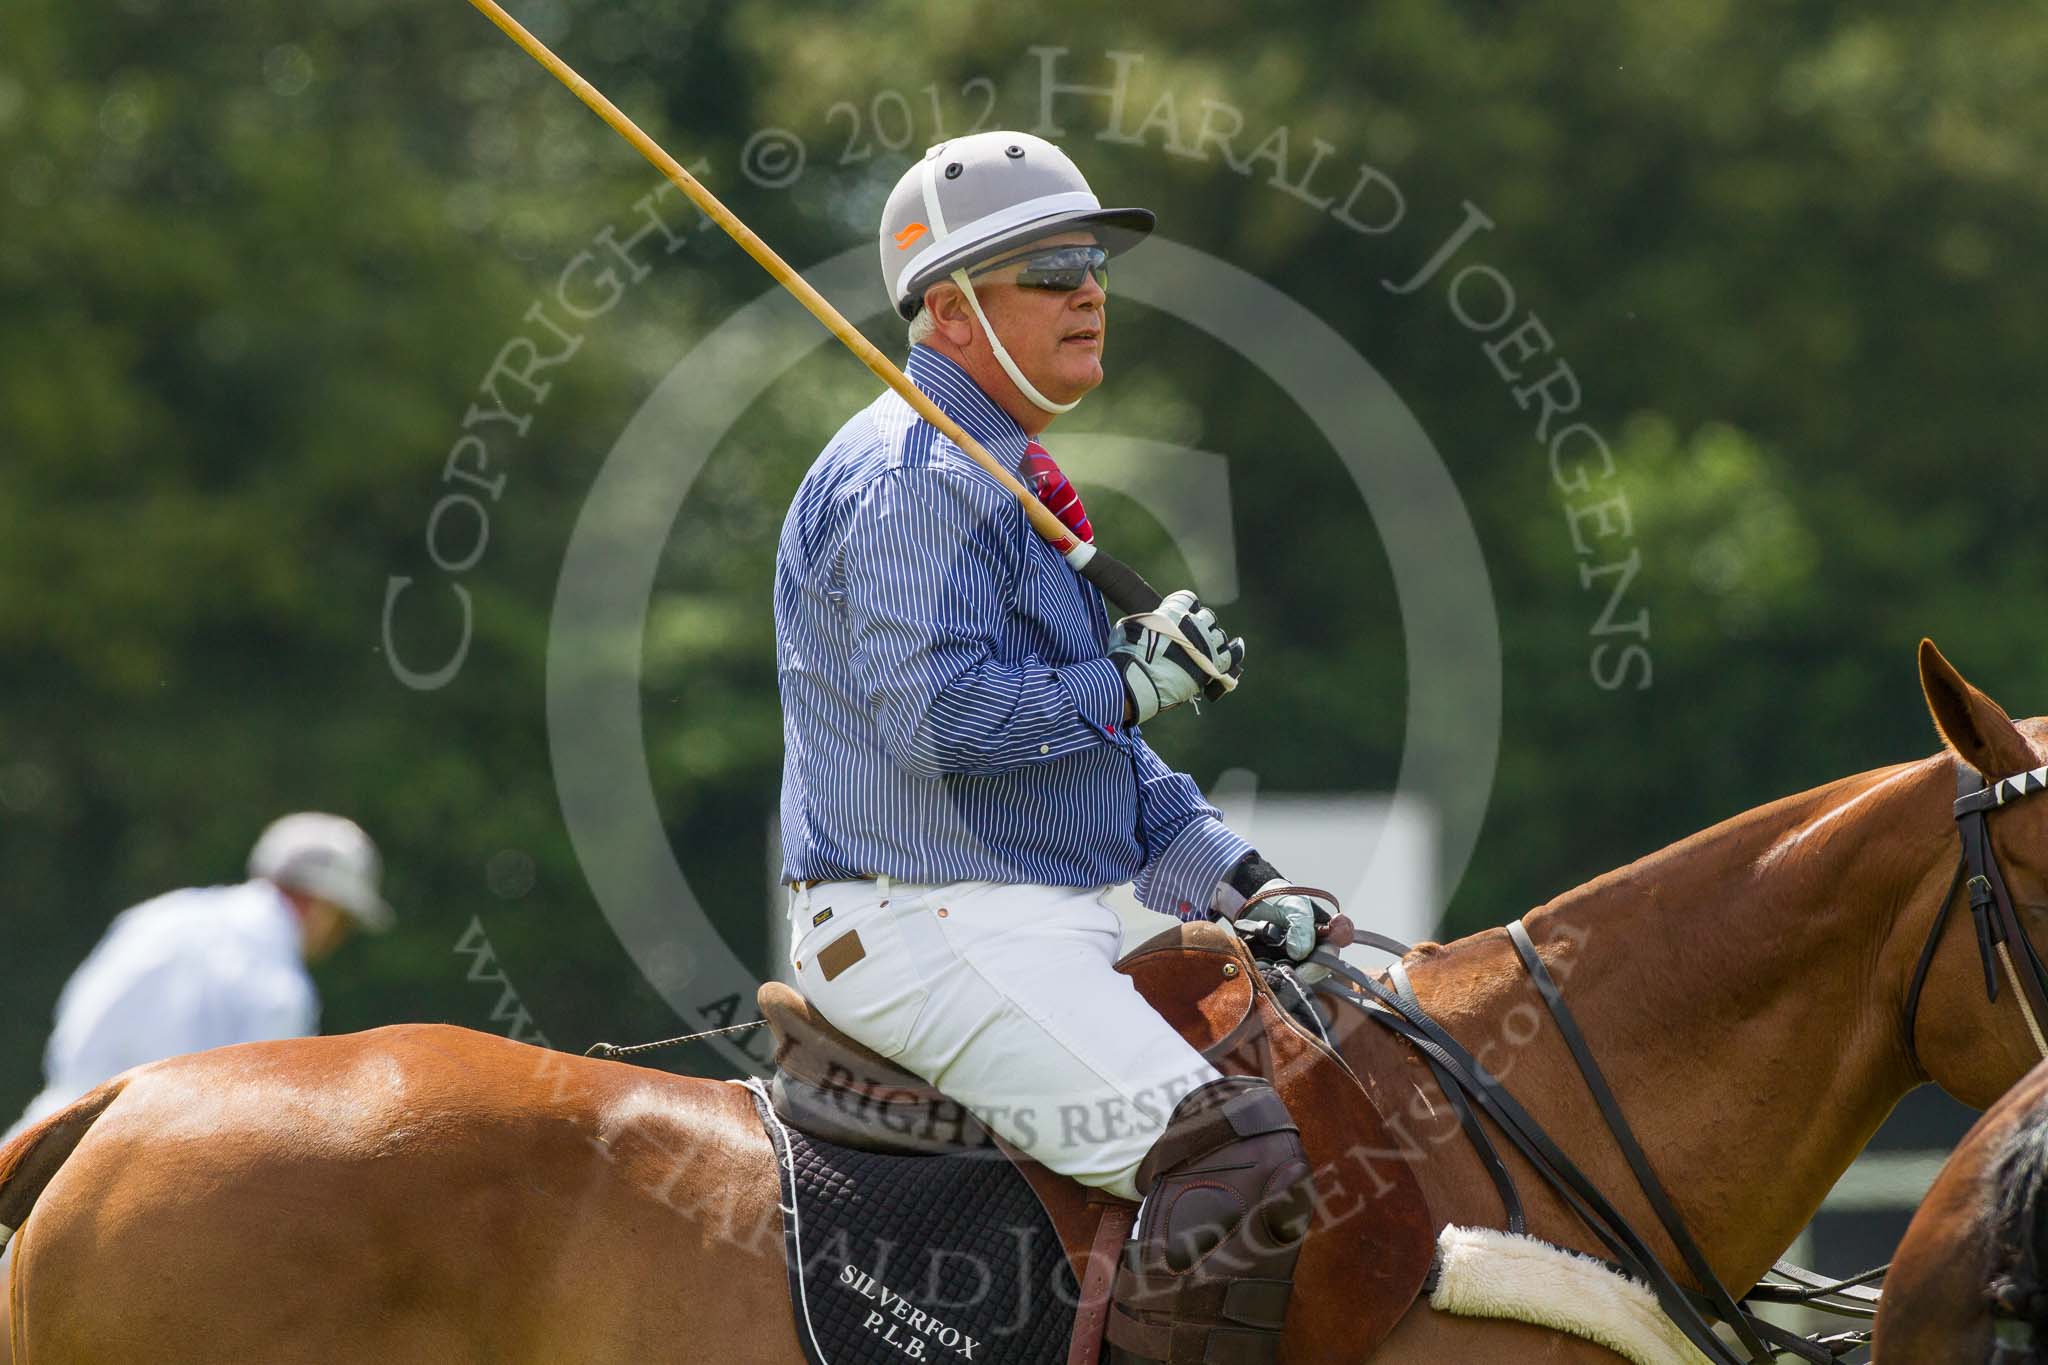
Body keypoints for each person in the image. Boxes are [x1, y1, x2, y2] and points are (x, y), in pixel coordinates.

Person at [776, 130, 1327, 1364]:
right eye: (1048, 267)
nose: (1090, 288)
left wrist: (1243, 880)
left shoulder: (1003, 470)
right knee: (1233, 1160)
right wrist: (1125, 684)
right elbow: (941, 725)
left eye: (1094, 263)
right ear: (950, 308)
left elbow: (1087, 763)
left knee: (1344, 1099)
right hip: (923, 925)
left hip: (1033, 912)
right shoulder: (914, 476)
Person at [3, 812, 393, 1143]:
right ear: (316, 903)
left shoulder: (162, 914)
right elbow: (262, 1125)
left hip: (44, 1134)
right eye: (342, 919)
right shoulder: (281, 989)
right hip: (158, 1160)